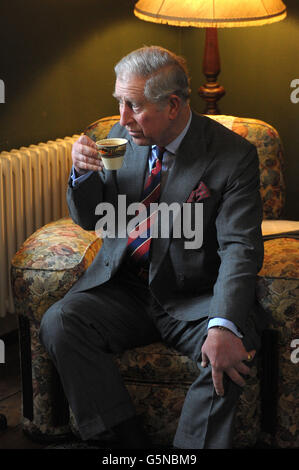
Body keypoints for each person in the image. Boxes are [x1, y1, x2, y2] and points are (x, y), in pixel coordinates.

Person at [40, 45, 268, 449]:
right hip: (127, 289)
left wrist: (221, 325)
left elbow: (240, 248)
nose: (123, 117)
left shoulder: (233, 156)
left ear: (174, 106)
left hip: (196, 297)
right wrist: (80, 174)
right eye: (120, 102)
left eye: (134, 105)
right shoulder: (119, 137)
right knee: (60, 321)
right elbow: (94, 218)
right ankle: (124, 445)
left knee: (230, 349)